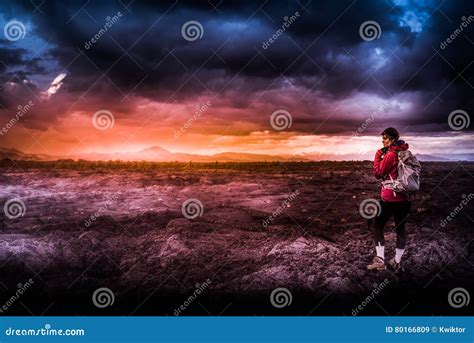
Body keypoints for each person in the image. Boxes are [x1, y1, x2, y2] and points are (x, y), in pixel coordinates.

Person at [367, 127, 411, 272]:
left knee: (378, 226)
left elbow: (378, 173)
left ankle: (380, 261)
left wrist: (377, 155)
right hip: (405, 198)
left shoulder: (391, 154)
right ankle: (397, 262)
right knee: (401, 230)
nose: (382, 140)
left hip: (389, 199)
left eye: (385, 137)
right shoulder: (405, 152)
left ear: (392, 139)